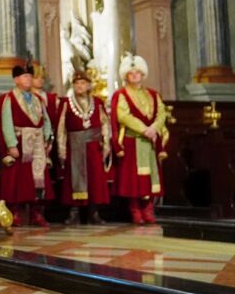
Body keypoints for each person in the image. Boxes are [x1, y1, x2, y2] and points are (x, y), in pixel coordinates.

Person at [111, 53, 168, 224]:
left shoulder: (153, 94)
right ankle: (135, 209)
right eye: (131, 72)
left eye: (138, 72)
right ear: (126, 76)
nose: (135, 75)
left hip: (149, 142)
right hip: (132, 141)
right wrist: (144, 129)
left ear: (143, 74)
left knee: (151, 178)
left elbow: (161, 113)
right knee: (133, 179)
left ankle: (148, 208)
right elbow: (123, 116)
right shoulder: (121, 94)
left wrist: (154, 129)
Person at [0, 65, 53, 227]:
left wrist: (47, 138)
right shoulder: (9, 98)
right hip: (20, 143)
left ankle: (36, 213)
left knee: (38, 178)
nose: (28, 79)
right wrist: (11, 144)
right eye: (24, 77)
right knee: (17, 179)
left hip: (37, 144)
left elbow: (46, 120)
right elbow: (6, 122)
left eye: (29, 76)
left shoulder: (38, 99)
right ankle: (14, 213)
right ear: (16, 80)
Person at [56, 72, 111, 225]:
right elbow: (61, 128)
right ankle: (74, 212)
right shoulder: (66, 103)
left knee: (94, 179)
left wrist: (106, 144)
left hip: (93, 147)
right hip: (74, 146)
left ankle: (94, 212)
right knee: (73, 178)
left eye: (83, 83)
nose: (80, 86)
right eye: (77, 83)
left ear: (88, 86)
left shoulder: (98, 103)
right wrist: (62, 149)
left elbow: (105, 124)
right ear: (73, 85)